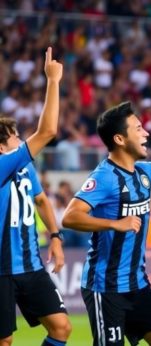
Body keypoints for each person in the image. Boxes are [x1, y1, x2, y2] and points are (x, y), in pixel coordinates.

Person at [61, 99, 151, 345]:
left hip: (138, 285)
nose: (146, 133)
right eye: (137, 129)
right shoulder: (104, 177)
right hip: (105, 287)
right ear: (120, 140)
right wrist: (115, 224)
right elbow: (70, 216)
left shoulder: (144, 172)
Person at [0, 48, 72, 346]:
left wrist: (55, 237)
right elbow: (48, 130)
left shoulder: (25, 167)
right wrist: (53, 81)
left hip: (30, 265)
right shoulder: (3, 165)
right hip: (1, 270)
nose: (22, 139)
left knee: (61, 327)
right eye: (16, 135)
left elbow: (41, 201)